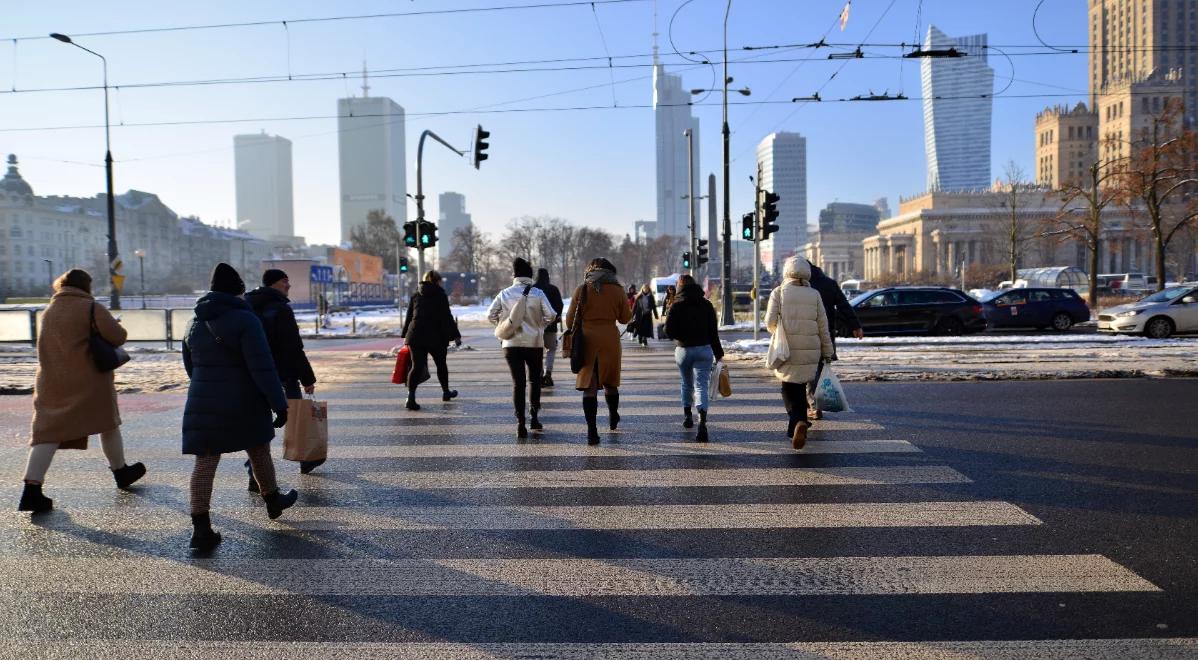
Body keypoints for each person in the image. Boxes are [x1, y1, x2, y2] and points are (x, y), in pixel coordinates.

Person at [183, 263, 298, 551]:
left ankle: (201, 528)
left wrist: (207, 386)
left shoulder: (194, 321)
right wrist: (279, 404)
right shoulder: (245, 320)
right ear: (238, 291)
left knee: (206, 461)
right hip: (243, 398)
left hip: (204, 398)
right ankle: (272, 500)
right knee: (258, 448)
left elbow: (189, 365)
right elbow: (262, 367)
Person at [20, 269, 145, 513]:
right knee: (107, 424)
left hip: (51, 381)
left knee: (47, 433)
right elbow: (118, 337)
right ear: (86, 286)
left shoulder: (49, 310)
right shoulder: (90, 307)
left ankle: (31, 489)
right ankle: (120, 471)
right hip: (89, 381)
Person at [246, 268, 323, 481]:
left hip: (255, 375)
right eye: (284, 281)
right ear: (273, 284)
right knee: (296, 416)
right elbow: (293, 347)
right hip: (284, 374)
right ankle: (306, 458)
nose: (288, 285)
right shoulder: (281, 309)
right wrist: (307, 378)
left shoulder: (247, 305)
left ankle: (254, 473)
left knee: (260, 422)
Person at [764, 257, 834, 450]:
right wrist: (828, 351)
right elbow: (823, 326)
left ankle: (797, 422)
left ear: (787, 272)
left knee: (787, 388)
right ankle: (798, 425)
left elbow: (769, 323)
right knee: (802, 386)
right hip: (811, 349)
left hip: (787, 349)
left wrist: (779, 329)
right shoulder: (815, 295)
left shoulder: (778, 293)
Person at [564, 258, 632, 444]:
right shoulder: (617, 290)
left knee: (590, 385)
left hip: (587, 341)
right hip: (610, 340)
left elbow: (570, 321)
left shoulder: (582, 289)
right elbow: (625, 318)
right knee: (611, 381)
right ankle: (612, 415)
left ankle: (591, 430)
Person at [488, 258, 557, 438]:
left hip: (510, 344)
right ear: (530, 275)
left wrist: (504, 324)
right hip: (534, 344)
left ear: (514, 275)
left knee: (518, 383)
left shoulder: (504, 294)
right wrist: (539, 326)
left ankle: (520, 423)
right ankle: (534, 417)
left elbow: (490, 314)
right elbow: (551, 315)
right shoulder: (538, 293)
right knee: (534, 380)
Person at [664, 274, 723, 442]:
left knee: (686, 383)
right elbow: (713, 332)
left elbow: (668, 331)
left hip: (683, 350)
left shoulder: (676, 305)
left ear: (680, 287)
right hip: (704, 349)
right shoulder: (706, 305)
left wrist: (680, 336)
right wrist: (718, 352)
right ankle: (702, 422)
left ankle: (687, 416)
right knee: (701, 386)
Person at [805, 260, 864, 420]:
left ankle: (812, 404)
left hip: (806, 333)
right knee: (818, 368)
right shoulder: (829, 283)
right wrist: (855, 325)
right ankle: (814, 403)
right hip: (827, 333)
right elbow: (844, 305)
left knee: (808, 369)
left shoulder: (801, 285)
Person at [400, 270, 462, 410]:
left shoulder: (416, 294)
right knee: (441, 365)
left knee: (416, 367)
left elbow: (409, 316)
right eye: (440, 281)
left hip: (416, 335)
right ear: (437, 281)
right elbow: (447, 316)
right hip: (436, 336)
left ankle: (410, 398)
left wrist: (405, 335)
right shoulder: (440, 294)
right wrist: (456, 335)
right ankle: (446, 392)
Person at [534, 268, 564, 388]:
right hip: (551, 326)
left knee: (538, 352)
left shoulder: (532, 289)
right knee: (551, 350)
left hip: (535, 327)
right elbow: (560, 305)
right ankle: (548, 372)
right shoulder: (553, 289)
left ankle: (540, 374)